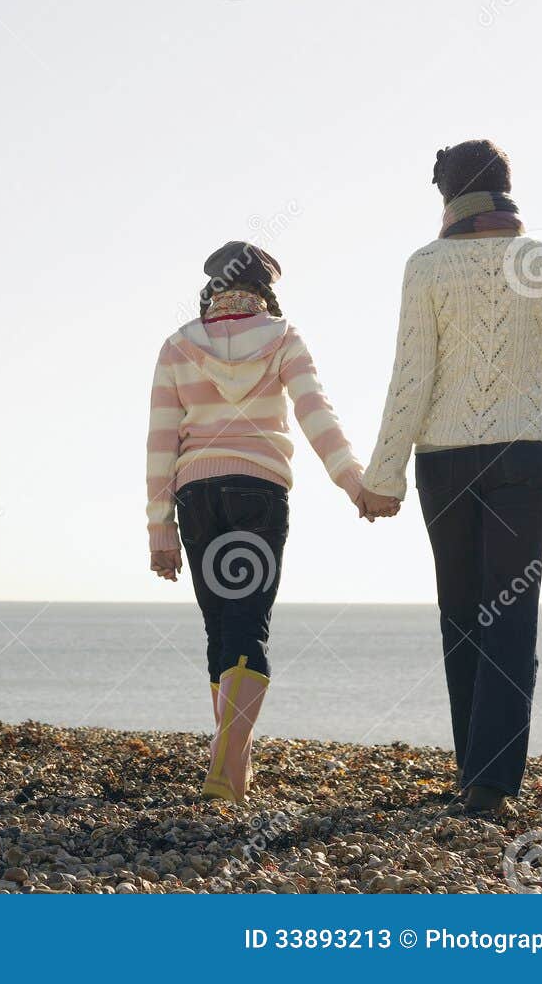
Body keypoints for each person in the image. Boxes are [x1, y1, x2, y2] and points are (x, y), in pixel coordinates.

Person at [359, 140, 542, 814]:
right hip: (525, 459)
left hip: (444, 459)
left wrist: (381, 475)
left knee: (462, 617)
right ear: (506, 187)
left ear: (446, 197)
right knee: (508, 615)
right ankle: (488, 784)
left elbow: (410, 378)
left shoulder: (426, 267)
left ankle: (477, 775)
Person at [147, 241, 364, 802]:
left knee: (220, 626)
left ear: (212, 287)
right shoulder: (283, 337)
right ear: (266, 289)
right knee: (250, 624)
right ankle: (229, 763)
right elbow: (318, 416)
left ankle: (233, 764)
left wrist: (159, 529)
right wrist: (354, 483)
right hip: (258, 493)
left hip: (197, 497)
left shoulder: (177, 346)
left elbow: (160, 444)